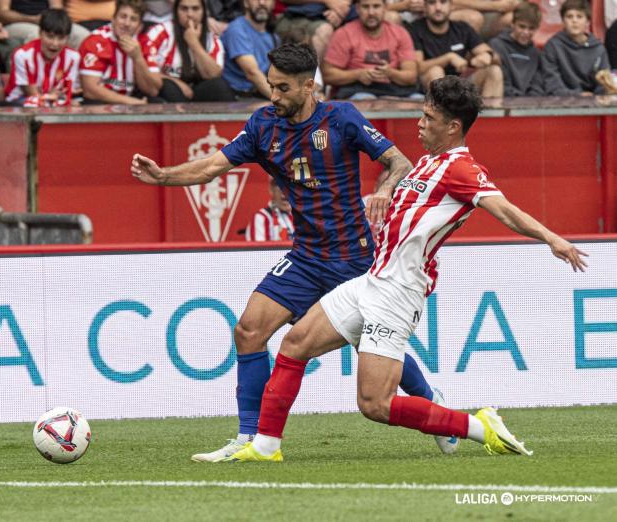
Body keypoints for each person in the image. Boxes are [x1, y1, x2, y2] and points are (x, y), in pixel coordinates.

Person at [225, 75, 589, 463]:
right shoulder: (429, 162)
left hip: (398, 295)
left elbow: (505, 210)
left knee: (375, 404)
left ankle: (479, 427)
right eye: (421, 113)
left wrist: (553, 238)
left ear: (453, 127)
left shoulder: (461, 169)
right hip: (371, 280)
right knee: (294, 344)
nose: (419, 123)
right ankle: (264, 446)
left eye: (428, 117)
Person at [131, 43, 454, 462]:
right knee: (249, 330)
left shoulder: (341, 119)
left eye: (283, 88)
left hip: (353, 260)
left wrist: (383, 189)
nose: (274, 96)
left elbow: (399, 162)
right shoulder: (264, 124)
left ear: (308, 85)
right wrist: (163, 177)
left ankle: (434, 403)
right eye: (270, 86)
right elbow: (213, 166)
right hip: (305, 257)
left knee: (370, 345)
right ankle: (249, 437)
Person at [140, 0, 235, 102]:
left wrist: (194, 44)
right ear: (176, 11)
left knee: (219, 86)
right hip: (167, 93)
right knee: (170, 88)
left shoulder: (212, 39)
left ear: (204, 12)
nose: (190, 14)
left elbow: (214, 75)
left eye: (195, 9)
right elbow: (146, 74)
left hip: (197, 92)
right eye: (184, 9)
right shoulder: (158, 32)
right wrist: (177, 83)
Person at [322, 0, 418, 100]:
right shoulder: (344, 34)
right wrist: (357, 74)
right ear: (358, 9)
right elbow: (328, 75)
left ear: (385, 8)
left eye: (376, 6)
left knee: (419, 99)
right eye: (365, 7)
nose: (371, 12)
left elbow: (411, 76)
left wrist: (390, 73)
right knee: (366, 99)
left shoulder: (400, 33)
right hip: (357, 90)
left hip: (394, 89)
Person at [408, 0, 503, 97]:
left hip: (460, 82)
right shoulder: (415, 29)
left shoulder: (462, 28)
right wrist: (448, 58)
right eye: (432, 3)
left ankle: (490, 112)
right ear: (425, 7)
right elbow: (417, 68)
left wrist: (488, 56)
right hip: (428, 86)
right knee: (435, 71)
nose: (438, 8)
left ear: (451, 6)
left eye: (443, 2)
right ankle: (444, 111)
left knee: (494, 71)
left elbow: (495, 57)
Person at [79, 0, 162, 104]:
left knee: (159, 101)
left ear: (139, 26)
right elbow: (90, 91)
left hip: (131, 98)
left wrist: (138, 58)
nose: (127, 23)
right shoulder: (95, 41)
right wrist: (132, 102)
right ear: (113, 19)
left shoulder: (145, 42)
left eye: (133, 19)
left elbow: (153, 90)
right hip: (100, 102)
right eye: (123, 17)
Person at [5, 8, 80, 105]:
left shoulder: (73, 58)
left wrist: (57, 97)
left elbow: (65, 92)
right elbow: (32, 94)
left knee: (74, 104)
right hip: (21, 100)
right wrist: (53, 96)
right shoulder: (23, 55)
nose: (55, 44)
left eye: (61, 38)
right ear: (40, 33)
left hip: (53, 101)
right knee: (34, 104)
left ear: (68, 38)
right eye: (50, 36)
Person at [541, 0, 610, 96]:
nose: (574, 21)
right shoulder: (552, 46)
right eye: (569, 16)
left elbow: (604, 83)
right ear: (563, 21)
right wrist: (577, 95)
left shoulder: (598, 49)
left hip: (594, 103)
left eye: (579, 16)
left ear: (588, 21)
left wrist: (595, 97)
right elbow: (552, 84)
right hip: (560, 103)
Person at [220, 0, 278, 99]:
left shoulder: (273, 37)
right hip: (236, 97)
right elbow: (252, 73)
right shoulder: (237, 29)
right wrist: (282, 101)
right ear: (246, 3)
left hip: (259, 94)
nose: (262, 3)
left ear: (273, 4)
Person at [489, 1, 544, 97]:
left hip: (529, 104)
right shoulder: (497, 45)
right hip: (503, 100)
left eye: (531, 28)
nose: (526, 32)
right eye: (522, 26)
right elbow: (501, 82)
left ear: (537, 29)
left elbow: (537, 84)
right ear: (512, 24)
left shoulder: (536, 53)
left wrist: (532, 100)